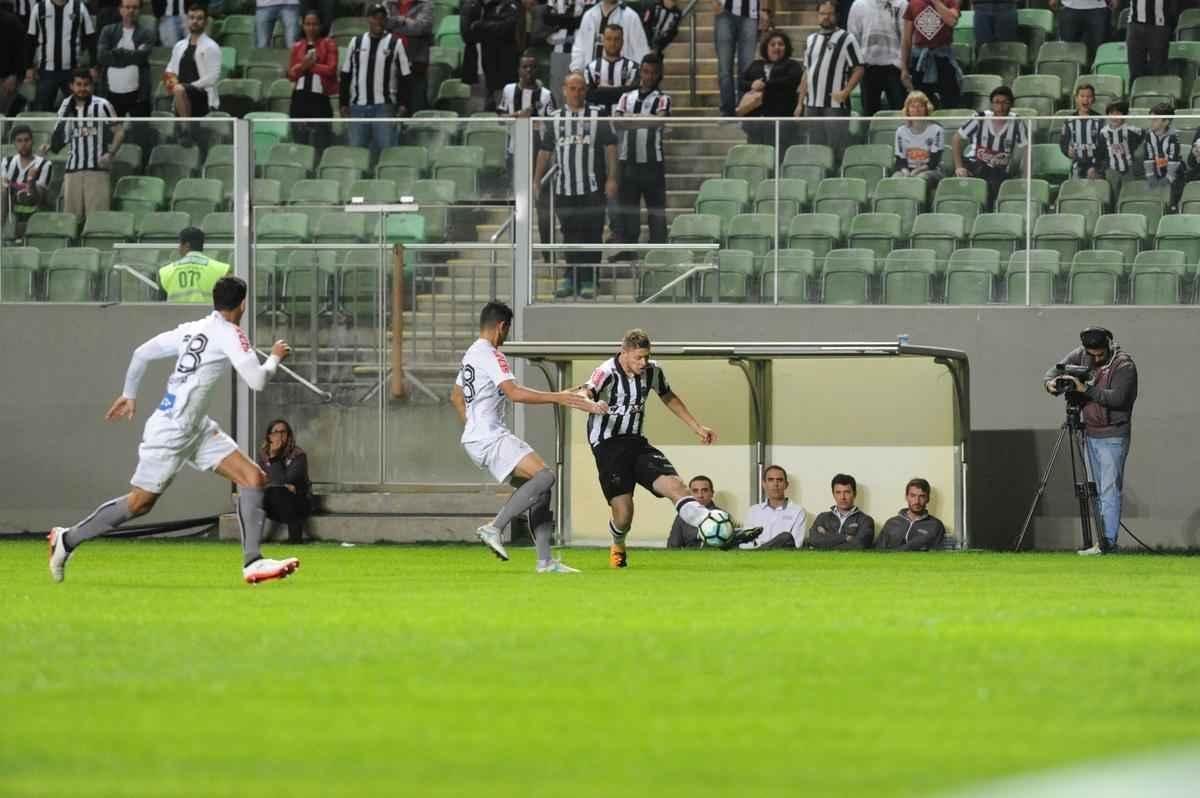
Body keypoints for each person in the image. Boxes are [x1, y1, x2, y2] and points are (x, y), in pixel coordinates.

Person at [46, 276, 301, 585]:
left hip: (196, 427)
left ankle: (252, 562)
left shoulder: (192, 328)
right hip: (171, 430)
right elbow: (258, 381)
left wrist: (130, 394)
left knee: (253, 478)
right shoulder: (232, 334)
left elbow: (141, 353)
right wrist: (274, 356)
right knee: (140, 503)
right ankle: (67, 540)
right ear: (243, 304)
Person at [452, 301, 607, 572]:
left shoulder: (471, 355)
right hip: (489, 436)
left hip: (477, 438)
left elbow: (455, 397)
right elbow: (515, 393)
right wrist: (559, 398)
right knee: (546, 476)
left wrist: (568, 393)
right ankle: (494, 527)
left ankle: (545, 562)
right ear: (502, 326)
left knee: (541, 491)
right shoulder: (490, 353)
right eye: (508, 330)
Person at [572, 328, 732, 568]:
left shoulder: (653, 371)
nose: (643, 362)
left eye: (646, 356)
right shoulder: (605, 372)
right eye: (638, 357)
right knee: (624, 515)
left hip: (636, 442)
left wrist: (696, 427)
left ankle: (707, 522)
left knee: (675, 485)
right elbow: (585, 392)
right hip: (608, 446)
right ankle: (618, 543)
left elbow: (668, 396)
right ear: (623, 352)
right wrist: (591, 404)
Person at [1042, 327, 1137, 555]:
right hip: (1089, 433)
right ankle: (1099, 543)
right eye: (1091, 354)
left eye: (1099, 354)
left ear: (1109, 345)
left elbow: (1117, 398)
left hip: (1113, 434)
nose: (1094, 358)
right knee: (1093, 490)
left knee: (1109, 490)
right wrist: (1051, 384)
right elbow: (1050, 373)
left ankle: (1108, 543)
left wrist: (1085, 388)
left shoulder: (1124, 366)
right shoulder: (1080, 354)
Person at [532, 70, 618, 300]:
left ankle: (590, 278)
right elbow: (545, 150)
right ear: (564, 90)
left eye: (580, 88)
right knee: (569, 232)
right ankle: (571, 276)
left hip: (592, 187)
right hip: (564, 188)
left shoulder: (596, 115)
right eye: (572, 88)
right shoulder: (555, 118)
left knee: (592, 232)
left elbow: (610, 146)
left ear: (586, 91)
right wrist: (536, 178)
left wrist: (611, 177)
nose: (576, 93)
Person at [612, 52, 670, 258]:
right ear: (640, 72)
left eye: (653, 73)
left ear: (659, 74)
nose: (649, 76)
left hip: (653, 163)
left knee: (656, 210)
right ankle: (628, 250)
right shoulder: (626, 96)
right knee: (628, 209)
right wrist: (645, 118)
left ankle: (659, 251)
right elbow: (617, 122)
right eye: (646, 71)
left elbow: (659, 121)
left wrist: (631, 118)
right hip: (628, 162)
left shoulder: (663, 99)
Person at [45, 69, 123, 221]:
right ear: (71, 86)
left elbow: (119, 132)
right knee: (71, 220)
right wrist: (50, 145)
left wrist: (111, 153)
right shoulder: (66, 104)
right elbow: (61, 133)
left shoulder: (102, 105)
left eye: (86, 85)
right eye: (78, 84)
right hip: (72, 170)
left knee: (97, 220)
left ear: (92, 86)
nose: (82, 88)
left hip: (97, 169)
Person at [499, 50, 556, 255]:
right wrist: (518, 116)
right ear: (519, 69)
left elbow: (552, 126)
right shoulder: (508, 90)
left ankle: (547, 250)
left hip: (539, 155)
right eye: (525, 67)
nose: (528, 71)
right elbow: (500, 117)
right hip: (515, 153)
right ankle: (518, 249)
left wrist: (532, 119)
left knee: (543, 206)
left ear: (537, 69)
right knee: (518, 203)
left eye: (532, 67)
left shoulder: (546, 95)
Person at [340, 4, 412, 159]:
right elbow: (346, 74)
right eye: (375, 17)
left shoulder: (395, 43)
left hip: (384, 108)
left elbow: (406, 77)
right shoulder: (356, 42)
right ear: (368, 19)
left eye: (382, 18)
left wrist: (403, 105)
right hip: (358, 107)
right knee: (356, 156)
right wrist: (343, 103)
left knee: (388, 154)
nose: (378, 21)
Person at [797, 0, 864, 156]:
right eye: (822, 13)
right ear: (817, 16)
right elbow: (807, 72)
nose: (826, 17)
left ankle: (837, 179)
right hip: (811, 104)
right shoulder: (811, 39)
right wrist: (800, 103)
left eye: (830, 13)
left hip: (835, 104)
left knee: (837, 147)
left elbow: (859, 68)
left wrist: (846, 92)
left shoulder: (847, 38)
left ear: (837, 16)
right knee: (815, 148)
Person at [952, 85, 1026, 209]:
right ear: (991, 104)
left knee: (994, 184)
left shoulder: (1017, 122)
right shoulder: (980, 117)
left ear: (1011, 104)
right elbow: (956, 138)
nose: (1001, 107)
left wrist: (1025, 176)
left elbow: (1027, 148)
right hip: (975, 164)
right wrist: (959, 167)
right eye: (997, 102)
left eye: (1005, 103)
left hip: (999, 170)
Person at [97, 0, 153, 152]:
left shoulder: (146, 33)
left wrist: (116, 54)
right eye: (127, 7)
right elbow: (102, 57)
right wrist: (130, 56)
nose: (131, 11)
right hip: (111, 94)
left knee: (141, 137)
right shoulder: (108, 31)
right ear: (120, 10)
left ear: (139, 10)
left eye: (135, 8)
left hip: (138, 95)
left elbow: (141, 57)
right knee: (108, 136)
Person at [737, 29, 804, 150]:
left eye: (780, 44)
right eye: (772, 44)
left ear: (786, 47)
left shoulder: (792, 65)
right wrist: (752, 84)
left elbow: (791, 80)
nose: (777, 48)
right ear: (766, 47)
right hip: (755, 124)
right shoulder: (755, 64)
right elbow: (741, 82)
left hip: (781, 124)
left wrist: (765, 85)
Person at [164, 1, 221, 143]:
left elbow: (213, 77)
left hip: (201, 96)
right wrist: (173, 87)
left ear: (205, 21)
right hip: (182, 95)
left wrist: (189, 87)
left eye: (199, 18)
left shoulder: (211, 46)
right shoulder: (179, 45)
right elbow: (169, 70)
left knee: (179, 89)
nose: (195, 21)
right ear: (187, 20)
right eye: (192, 18)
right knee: (177, 89)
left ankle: (186, 130)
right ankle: (185, 128)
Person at [27, 0, 97, 111]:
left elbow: (91, 37)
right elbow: (31, 39)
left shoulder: (79, 7)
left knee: (78, 109)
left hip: (73, 71)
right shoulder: (39, 8)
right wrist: (28, 67)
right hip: (46, 70)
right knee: (42, 110)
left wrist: (93, 65)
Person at [848, 0, 908, 118]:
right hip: (868, 67)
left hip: (895, 67)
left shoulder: (901, 4)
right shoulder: (858, 5)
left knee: (900, 114)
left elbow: (906, 38)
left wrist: (902, 65)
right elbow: (853, 37)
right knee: (869, 115)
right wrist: (860, 65)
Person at [288, 10, 338, 151]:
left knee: (321, 142)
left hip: (320, 99)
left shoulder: (329, 44)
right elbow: (291, 75)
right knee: (299, 143)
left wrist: (309, 66)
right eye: (308, 24)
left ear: (321, 26)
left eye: (314, 24)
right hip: (299, 98)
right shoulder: (297, 46)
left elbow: (331, 70)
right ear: (303, 26)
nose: (311, 28)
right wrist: (305, 66)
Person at [256, 419, 311, 545]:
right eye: (275, 432)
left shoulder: (298, 454)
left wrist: (274, 456)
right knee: (254, 494)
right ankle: (254, 539)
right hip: (272, 500)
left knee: (281, 491)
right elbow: (262, 479)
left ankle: (295, 538)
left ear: (288, 435)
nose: (279, 436)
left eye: (283, 432)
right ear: (269, 436)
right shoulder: (263, 455)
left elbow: (287, 480)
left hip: (298, 501)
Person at [899, 0, 960, 112]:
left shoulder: (950, 1)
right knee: (921, 105)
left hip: (944, 59)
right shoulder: (913, 3)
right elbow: (906, 40)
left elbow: (951, 21)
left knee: (950, 103)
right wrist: (904, 68)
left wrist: (935, 1)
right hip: (920, 62)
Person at [460, 0, 521, 111]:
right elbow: (466, 33)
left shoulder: (509, 4)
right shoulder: (471, 5)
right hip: (475, 61)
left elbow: (507, 28)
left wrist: (481, 26)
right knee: (478, 106)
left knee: (503, 105)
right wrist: (488, 29)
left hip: (503, 64)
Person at [712, 0, 763, 118]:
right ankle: (727, 111)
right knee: (724, 68)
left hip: (751, 12)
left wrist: (764, 10)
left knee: (746, 68)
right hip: (724, 10)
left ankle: (743, 110)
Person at [570, 0, 649, 74]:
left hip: (621, 80)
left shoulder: (631, 16)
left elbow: (641, 51)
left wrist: (639, 76)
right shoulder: (589, 15)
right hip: (591, 79)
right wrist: (576, 70)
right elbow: (579, 49)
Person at [1, 125, 52, 239]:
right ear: (14, 143)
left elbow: (39, 197)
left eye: (26, 140)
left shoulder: (44, 164)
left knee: (27, 194)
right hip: (10, 204)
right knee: (3, 191)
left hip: (34, 203)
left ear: (32, 141)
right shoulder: (7, 162)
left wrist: (30, 182)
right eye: (19, 141)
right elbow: (3, 187)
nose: (23, 144)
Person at [739, 465, 806, 549]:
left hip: (783, 558)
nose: (775, 484)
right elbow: (745, 543)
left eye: (780, 480)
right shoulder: (753, 511)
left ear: (786, 485)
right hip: (756, 557)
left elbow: (796, 544)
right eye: (771, 480)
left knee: (785, 537)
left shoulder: (798, 511)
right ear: (764, 484)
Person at [158, 226, 231, 303]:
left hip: (176, 314)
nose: (178, 248)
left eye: (180, 244)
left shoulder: (166, 271)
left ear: (187, 245)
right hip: (208, 314)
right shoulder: (221, 270)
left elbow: (160, 306)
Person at [385, 0, 433, 112]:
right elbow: (384, 23)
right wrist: (405, 21)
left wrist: (395, 25)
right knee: (394, 104)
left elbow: (421, 28)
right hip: (392, 59)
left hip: (416, 60)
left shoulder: (425, 4)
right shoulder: (388, 3)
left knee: (417, 104)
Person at [805, 473, 875, 549]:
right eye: (838, 492)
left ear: (854, 494)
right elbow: (813, 541)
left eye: (847, 492)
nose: (842, 497)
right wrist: (846, 538)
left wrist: (827, 536)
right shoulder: (822, 518)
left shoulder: (865, 521)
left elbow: (859, 546)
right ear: (833, 494)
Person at [874, 478, 946, 550]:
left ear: (928, 499)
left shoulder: (936, 526)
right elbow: (878, 552)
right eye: (913, 496)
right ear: (906, 497)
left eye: (922, 496)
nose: (917, 501)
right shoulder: (892, 523)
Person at [585, 24, 639, 115]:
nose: (612, 43)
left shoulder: (633, 67)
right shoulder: (591, 67)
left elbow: (632, 95)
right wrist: (622, 90)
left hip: (625, 118)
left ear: (622, 42)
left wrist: (600, 90)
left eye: (616, 39)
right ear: (603, 41)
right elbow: (588, 95)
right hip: (599, 119)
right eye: (609, 39)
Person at [893, 90, 942, 187]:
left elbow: (934, 161)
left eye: (920, 106)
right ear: (908, 110)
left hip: (930, 170)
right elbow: (900, 160)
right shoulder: (900, 131)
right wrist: (906, 172)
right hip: (907, 169)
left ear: (926, 109)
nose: (917, 110)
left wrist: (916, 171)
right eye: (913, 106)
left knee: (920, 179)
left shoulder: (937, 130)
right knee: (895, 179)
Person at [1098, 100, 1143, 202]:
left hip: (1129, 169)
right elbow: (1100, 152)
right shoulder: (1103, 133)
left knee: (1129, 196)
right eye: (1111, 113)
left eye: (1118, 113)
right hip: (1111, 170)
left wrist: (1137, 156)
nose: (1114, 116)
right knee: (1112, 196)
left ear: (1125, 115)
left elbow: (1144, 141)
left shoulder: (1133, 130)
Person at [1143, 102, 1182, 210]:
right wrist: (1150, 175)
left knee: (1171, 199)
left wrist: (1168, 178)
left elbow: (1173, 160)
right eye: (1150, 119)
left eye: (1155, 120)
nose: (1151, 123)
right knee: (1149, 192)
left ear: (1166, 122)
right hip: (1157, 172)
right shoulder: (1149, 136)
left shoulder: (1173, 137)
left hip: (1174, 175)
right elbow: (1148, 157)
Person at [1060, 83, 1103, 180]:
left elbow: (1103, 146)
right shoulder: (1069, 121)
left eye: (1089, 96)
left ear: (1093, 99)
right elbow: (1063, 143)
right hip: (1077, 165)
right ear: (1076, 98)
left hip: (1096, 165)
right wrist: (1067, 151)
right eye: (1082, 96)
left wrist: (1096, 166)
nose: (1085, 100)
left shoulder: (1100, 120)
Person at [666, 475, 721, 548]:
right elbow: (672, 546)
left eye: (704, 490)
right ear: (689, 494)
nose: (700, 495)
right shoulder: (682, 517)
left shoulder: (722, 516)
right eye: (695, 491)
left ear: (712, 493)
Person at [1049, 0, 1111, 65]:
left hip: (1098, 8)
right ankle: (1070, 73)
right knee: (1067, 51)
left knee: (1098, 51)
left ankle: (1096, 74)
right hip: (1069, 7)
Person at [1126, 0, 1171, 86]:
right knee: (1135, 70)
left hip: (1159, 25)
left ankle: (1159, 97)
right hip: (1134, 24)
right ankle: (1136, 97)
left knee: (1158, 70)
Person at [0, 0, 31, 117]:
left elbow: (21, 51)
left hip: (5, 79)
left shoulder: (11, 21)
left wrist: (14, 75)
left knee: (2, 119)